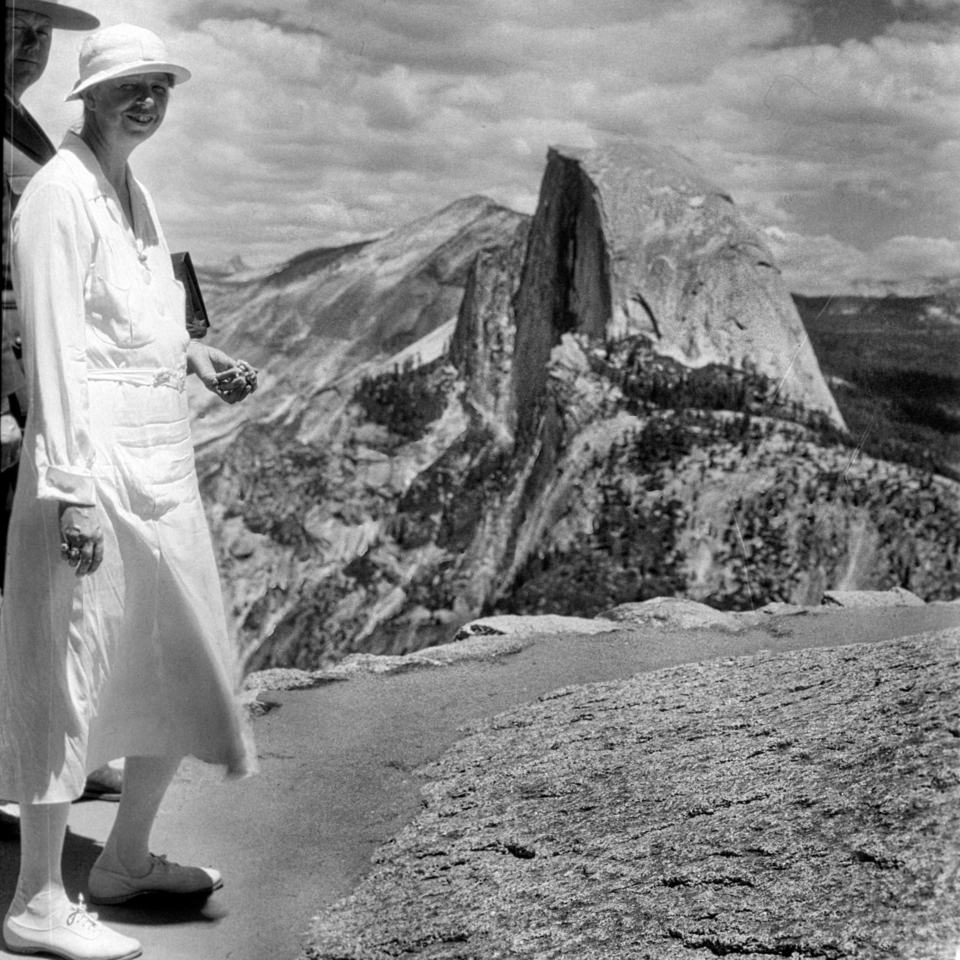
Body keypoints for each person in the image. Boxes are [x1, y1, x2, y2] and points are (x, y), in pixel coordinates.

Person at [0, 23, 256, 960]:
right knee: (69, 671)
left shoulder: (133, 190)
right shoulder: (58, 198)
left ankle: (126, 860)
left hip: (159, 457)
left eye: (159, 85)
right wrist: (69, 491)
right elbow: (59, 351)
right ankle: (36, 903)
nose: (147, 99)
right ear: (89, 96)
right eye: (128, 86)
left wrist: (195, 352)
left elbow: (136, 318)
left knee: (176, 656)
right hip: (93, 465)